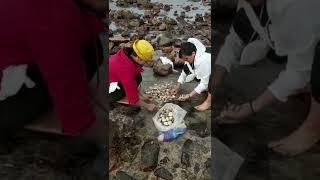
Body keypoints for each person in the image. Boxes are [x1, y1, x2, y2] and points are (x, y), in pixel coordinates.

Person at [0, 0, 107, 177]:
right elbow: (63, 77)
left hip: (19, 41)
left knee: (91, 50)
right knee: (62, 80)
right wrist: (82, 126)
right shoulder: (49, 15)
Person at [212, 0, 320, 156]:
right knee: (248, 24)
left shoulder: (295, 6)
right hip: (299, 22)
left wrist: (251, 107)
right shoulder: (250, 5)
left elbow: (298, 73)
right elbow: (234, 39)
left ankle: (313, 128)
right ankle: (310, 82)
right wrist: (213, 86)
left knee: (310, 65)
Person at [109, 39, 157, 112]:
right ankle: (119, 99)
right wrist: (148, 106)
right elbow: (133, 100)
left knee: (138, 75)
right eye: (146, 60)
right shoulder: (125, 70)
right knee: (131, 95)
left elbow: (135, 77)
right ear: (138, 57)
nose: (148, 62)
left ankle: (135, 94)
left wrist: (141, 94)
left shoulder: (127, 53)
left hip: (113, 77)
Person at [171, 38, 211, 106]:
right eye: (184, 59)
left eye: (186, 58)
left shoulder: (203, 61)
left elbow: (204, 83)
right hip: (208, 73)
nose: (185, 61)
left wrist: (189, 95)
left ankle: (209, 102)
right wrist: (177, 86)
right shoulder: (189, 58)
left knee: (210, 82)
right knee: (199, 79)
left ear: (193, 53)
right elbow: (184, 72)